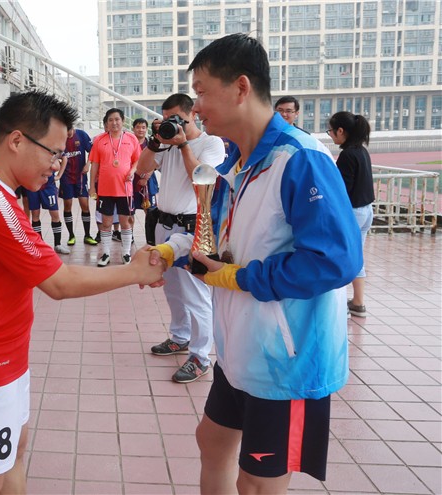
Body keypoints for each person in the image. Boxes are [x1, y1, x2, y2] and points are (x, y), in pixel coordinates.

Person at [151, 34, 361, 493]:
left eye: (202, 92)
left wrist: (240, 278)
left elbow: (335, 262)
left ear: (241, 87)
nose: (195, 107)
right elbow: (217, 235)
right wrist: (173, 251)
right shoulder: (237, 162)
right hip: (238, 350)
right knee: (212, 441)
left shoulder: (300, 159)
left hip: (286, 363)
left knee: (258, 482)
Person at [0, 90, 164, 495]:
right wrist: (133, 272)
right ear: (16, 140)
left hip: (5, 358)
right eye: (54, 153)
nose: (57, 165)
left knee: (13, 455)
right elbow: (58, 282)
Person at [137, 93, 225, 383]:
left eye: (178, 119)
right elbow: (142, 169)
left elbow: (201, 178)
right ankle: (180, 336)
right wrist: (155, 141)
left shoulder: (211, 143)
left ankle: (201, 356)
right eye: (167, 119)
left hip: (192, 228)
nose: (173, 123)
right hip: (163, 224)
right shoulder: (166, 142)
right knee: (172, 288)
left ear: (193, 115)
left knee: (196, 294)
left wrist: (183, 144)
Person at [327, 111, 375, 317]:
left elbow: (342, 190)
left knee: (340, 258)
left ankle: (340, 307)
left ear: (340, 130)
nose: (330, 135)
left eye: (330, 131)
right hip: (367, 211)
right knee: (355, 256)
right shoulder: (361, 151)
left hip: (353, 213)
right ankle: (358, 302)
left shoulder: (347, 155)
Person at [89, 108, 141, 266]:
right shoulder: (99, 140)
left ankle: (126, 254)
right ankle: (105, 254)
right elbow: (94, 165)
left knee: (126, 223)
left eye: (117, 119)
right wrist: (92, 187)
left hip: (125, 190)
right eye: (110, 120)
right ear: (106, 123)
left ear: (123, 121)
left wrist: (132, 171)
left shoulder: (131, 139)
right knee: (106, 223)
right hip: (105, 190)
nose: (114, 123)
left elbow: (137, 160)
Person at [59, 125, 97, 246]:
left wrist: (88, 164)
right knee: (67, 205)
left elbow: (93, 150)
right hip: (66, 178)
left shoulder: (81, 135)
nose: (68, 134)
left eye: (69, 131)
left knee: (85, 205)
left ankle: (87, 235)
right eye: (65, 131)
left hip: (80, 177)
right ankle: (71, 235)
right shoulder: (59, 137)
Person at [26, 159, 69, 254]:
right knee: (35, 214)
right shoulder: (29, 150)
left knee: (55, 214)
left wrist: (59, 175)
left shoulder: (50, 150)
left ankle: (57, 244)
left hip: (48, 186)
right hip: (33, 184)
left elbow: (63, 158)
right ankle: (39, 244)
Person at [131, 118, 160, 246]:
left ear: (146, 129)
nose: (140, 130)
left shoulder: (152, 144)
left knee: (150, 212)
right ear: (133, 129)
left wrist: (146, 177)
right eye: (138, 127)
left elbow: (157, 162)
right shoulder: (129, 143)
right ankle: (129, 236)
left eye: (143, 127)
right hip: (132, 182)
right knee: (129, 211)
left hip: (149, 183)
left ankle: (151, 239)